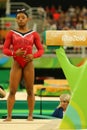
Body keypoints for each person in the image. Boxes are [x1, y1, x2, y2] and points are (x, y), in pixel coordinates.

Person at [3, 8, 44, 121]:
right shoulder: (11, 33)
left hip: (28, 63)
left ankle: (30, 115)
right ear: (16, 20)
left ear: (28, 19)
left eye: (23, 18)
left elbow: (41, 50)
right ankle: (9, 116)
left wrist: (33, 56)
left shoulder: (34, 34)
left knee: (30, 90)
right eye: (18, 18)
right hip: (16, 63)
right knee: (12, 91)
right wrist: (13, 53)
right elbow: (5, 50)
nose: (20, 20)